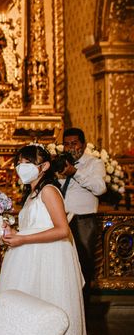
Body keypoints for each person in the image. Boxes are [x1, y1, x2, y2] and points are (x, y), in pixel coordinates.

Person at [0, 144, 90, 335]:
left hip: (47, 261)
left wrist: (23, 239)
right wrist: (12, 233)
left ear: (44, 166)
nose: (21, 167)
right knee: (26, 321)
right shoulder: (32, 193)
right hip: (29, 259)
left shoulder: (49, 190)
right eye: (19, 162)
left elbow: (62, 230)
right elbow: (35, 226)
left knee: (46, 321)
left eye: (27, 163)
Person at [59, 127, 107, 305]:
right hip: (61, 220)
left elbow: (100, 188)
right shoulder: (60, 163)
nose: (71, 147)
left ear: (83, 144)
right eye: (66, 144)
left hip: (84, 221)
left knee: (83, 266)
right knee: (63, 266)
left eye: (74, 143)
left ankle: (83, 308)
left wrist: (75, 173)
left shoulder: (94, 163)